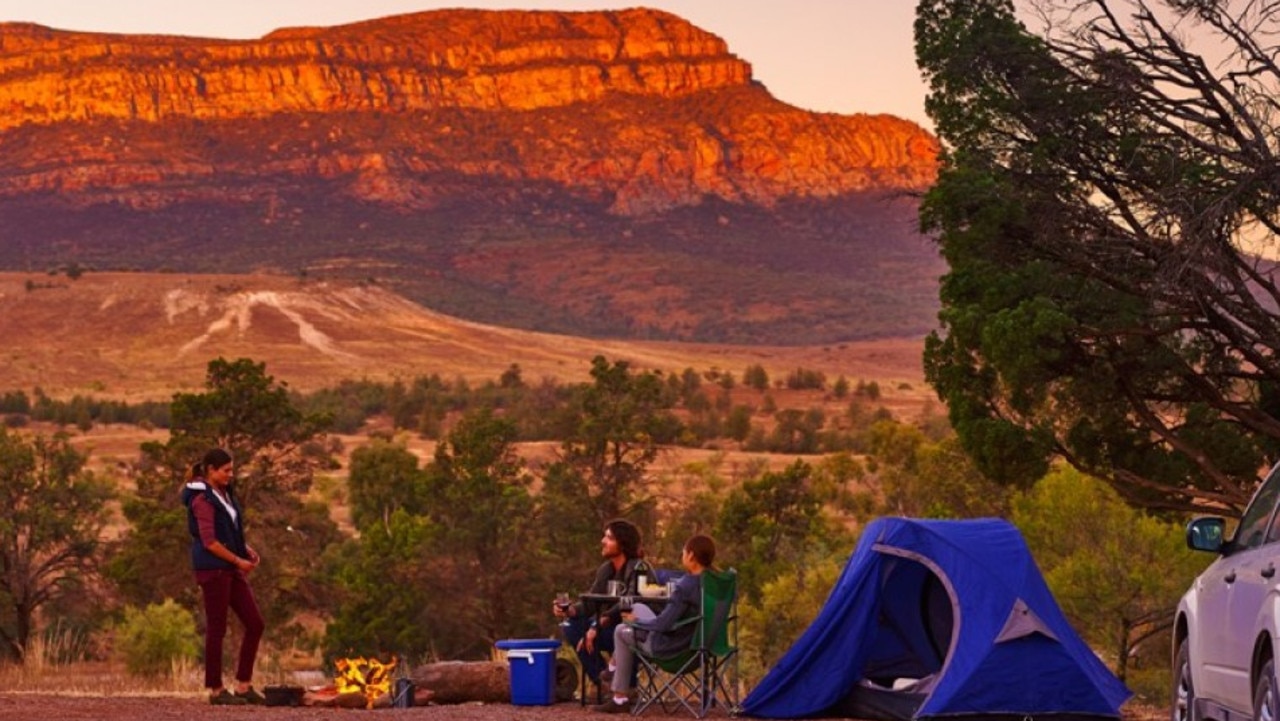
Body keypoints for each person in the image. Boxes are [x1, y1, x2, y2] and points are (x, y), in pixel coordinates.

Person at [592, 534, 716, 714]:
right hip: (704, 647)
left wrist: (637, 622)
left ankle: (619, 696)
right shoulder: (714, 582)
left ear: (691, 556)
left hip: (674, 649)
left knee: (621, 629)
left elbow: (663, 624)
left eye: (683, 553)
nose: (682, 557)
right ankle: (613, 670)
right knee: (638, 605)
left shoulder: (685, 586)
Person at [181, 448, 266, 706]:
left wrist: (244, 549)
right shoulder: (201, 499)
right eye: (226, 470)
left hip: (229, 568)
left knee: (255, 623)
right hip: (213, 569)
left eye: (231, 469)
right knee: (217, 629)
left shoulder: (224, 493)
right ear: (211, 470)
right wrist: (237, 560)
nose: (231, 474)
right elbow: (209, 541)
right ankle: (216, 689)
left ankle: (243, 685)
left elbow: (229, 530)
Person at [552, 519, 645, 691]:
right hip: (608, 629)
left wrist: (596, 625)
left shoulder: (638, 568)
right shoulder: (606, 569)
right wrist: (569, 610)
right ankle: (603, 681)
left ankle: (626, 686)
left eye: (609, 538)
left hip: (633, 632)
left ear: (622, 544)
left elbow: (630, 602)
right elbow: (590, 603)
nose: (603, 541)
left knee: (607, 630)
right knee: (572, 626)